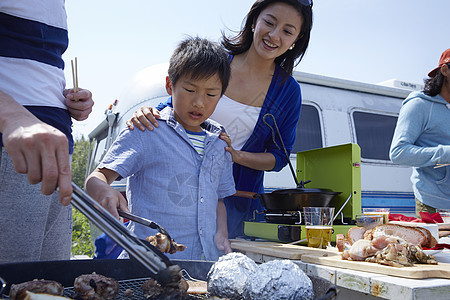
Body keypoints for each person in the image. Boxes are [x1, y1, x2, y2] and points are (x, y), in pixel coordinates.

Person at [126, 0, 313, 238]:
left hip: (238, 208)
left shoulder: (288, 91)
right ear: (254, 21)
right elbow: (174, 104)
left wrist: (236, 155)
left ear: (296, 40)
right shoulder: (216, 62)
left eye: (287, 31)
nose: (274, 35)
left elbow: (278, 157)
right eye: (269, 22)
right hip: (180, 198)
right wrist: (148, 112)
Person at [85, 37, 235, 261]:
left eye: (211, 94)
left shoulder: (219, 141)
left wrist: (222, 233)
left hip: (203, 263)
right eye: (190, 90)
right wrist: (104, 191)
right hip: (148, 263)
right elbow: (95, 178)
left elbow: (219, 199)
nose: (199, 103)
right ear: (169, 85)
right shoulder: (147, 128)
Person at [0, 1, 94, 263]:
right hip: (13, 150)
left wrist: (68, 103)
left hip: (57, 150)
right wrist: (10, 115)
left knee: (51, 282)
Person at [390, 48, 450, 216]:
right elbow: (398, 153)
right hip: (432, 203)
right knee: (436, 243)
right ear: (445, 70)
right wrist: (447, 152)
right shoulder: (419, 105)